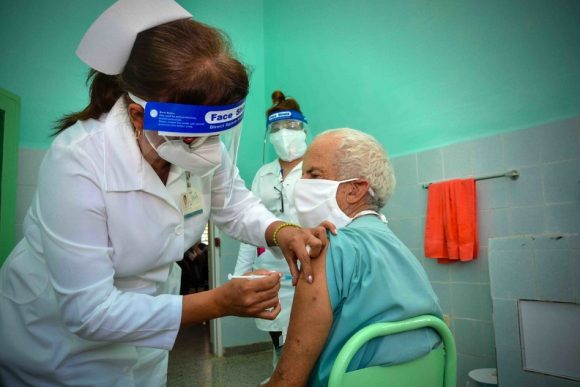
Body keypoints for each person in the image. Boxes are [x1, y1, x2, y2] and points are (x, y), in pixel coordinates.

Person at [0, 1, 327, 386]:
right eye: (194, 135)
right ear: (140, 116)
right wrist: (217, 302)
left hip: (145, 350)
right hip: (55, 350)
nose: (208, 148)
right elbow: (87, 312)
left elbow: (234, 204)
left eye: (217, 133)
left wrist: (280, 231)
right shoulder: (79, 160)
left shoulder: (201, 144)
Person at [264, 128, 443, 387]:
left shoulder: (325, 247)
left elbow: (287, 382)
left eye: (313, 174)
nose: (300, 184)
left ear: (354, 190)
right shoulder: (399, 247)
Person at [234, 90, 309, 370]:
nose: (283, 134)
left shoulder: (316, 169)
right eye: (275, 128)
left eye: (290, 127)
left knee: (306, 337)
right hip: (269, 270)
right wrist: (243, 274)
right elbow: (249, 230)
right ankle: (281, 374)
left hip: (306, 270)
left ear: (303, 128)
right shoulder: (263, 174)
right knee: (276, 332)